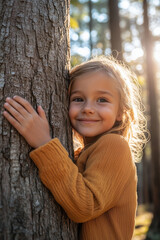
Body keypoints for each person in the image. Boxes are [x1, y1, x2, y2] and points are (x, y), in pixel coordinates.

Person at [3, 55, 148, 240]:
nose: (88, 108)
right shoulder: (85, 152)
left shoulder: (115, 145)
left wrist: (44, 143)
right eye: (78, 98)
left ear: (121, 112)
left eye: (102, 100)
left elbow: (84, 206)